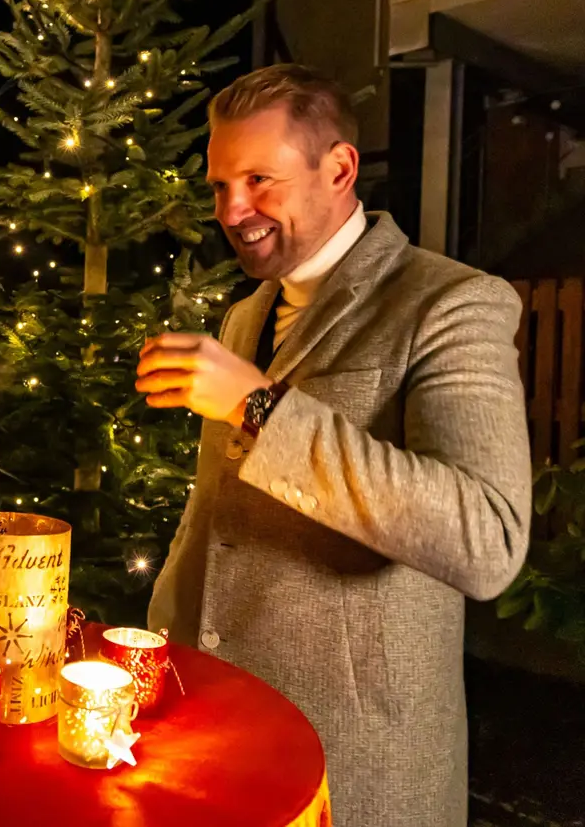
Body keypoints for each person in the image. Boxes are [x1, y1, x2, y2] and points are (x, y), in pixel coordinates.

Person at [139, 64, 531, 826]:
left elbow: (487, 538)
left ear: (341, 167)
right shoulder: (244, 317)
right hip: (218, 726)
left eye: (259, 178)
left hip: (357, 761)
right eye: (220, 185)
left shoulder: (450, 302)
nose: (233, 208)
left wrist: (256, 406)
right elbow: (218, 521)